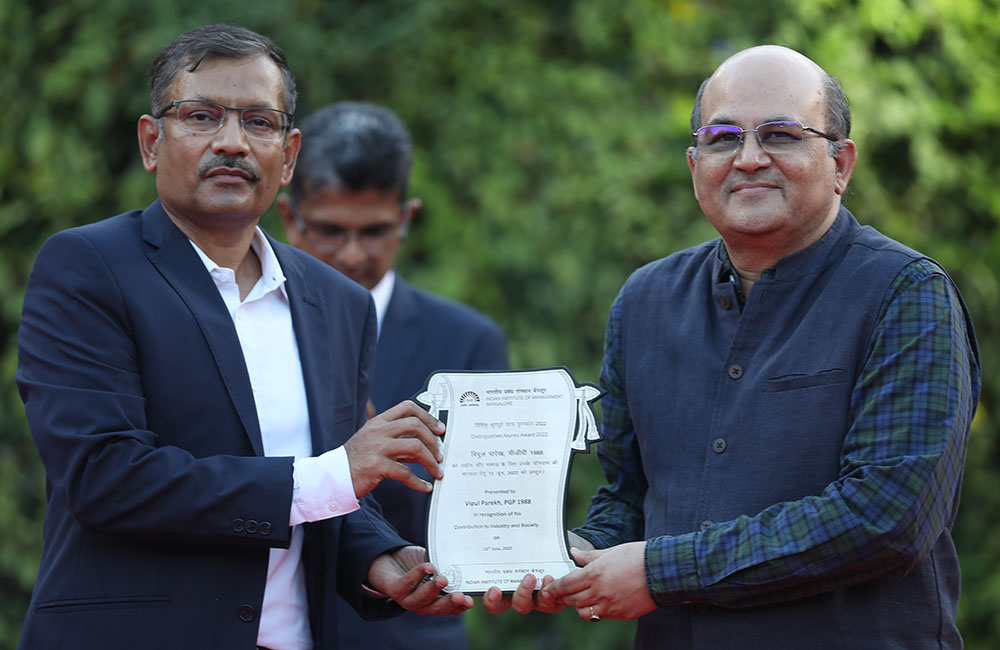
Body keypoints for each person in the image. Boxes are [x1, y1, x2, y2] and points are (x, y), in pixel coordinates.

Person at [485, 45, 981, 649]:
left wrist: (662, 572)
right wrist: (572, 556)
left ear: (841, 163)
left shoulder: (903, 295)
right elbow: (629, 495)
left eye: (779, 134)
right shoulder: (646, 302)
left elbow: (886, 517)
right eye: (723, 138)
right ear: (696, 166)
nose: (748, 159)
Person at [15, 24, 473, 650]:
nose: (232, 143)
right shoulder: (89, 268)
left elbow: (335, 488)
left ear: (288, 156)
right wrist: (336, 474)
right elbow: (105, 476)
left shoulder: (338, 301)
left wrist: (379, 559)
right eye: (201, 116)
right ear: (152, 141)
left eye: (259, 122)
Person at [279, 101, 509, 650]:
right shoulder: (249, 327)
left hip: (403, 635)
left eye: (375, 231)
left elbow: (483, 513)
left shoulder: (467, 342)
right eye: (331, 231)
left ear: (406, 218)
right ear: (290, 217)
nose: (353, 254)